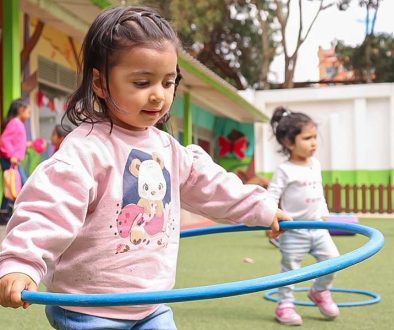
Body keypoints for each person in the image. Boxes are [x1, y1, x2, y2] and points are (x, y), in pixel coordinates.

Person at [0, 6, 290, 329]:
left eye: (168, 82)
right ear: (99, 82)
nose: (158, 96)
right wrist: (21, 262)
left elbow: (212, 185)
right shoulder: (87, 151)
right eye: (142, 82)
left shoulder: (168, 149)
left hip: (150, 306)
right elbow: (49, 206)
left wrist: (262, 207)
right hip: (89, 307)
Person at [267, 106, 340, 326]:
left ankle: (319, 291)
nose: (314, 143)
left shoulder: (315, 164)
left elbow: (318, 191)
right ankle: (285, 305)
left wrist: (324, 212)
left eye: (315, 137)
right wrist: (270, 220)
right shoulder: (284, 170)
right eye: (307, 138)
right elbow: (272, 196)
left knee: (333, 261)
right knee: (290, 270)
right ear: (289, 143)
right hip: (293, 230)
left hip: (318, 228)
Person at [0, 98, 31, 223]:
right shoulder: (16, 122)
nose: (29, 115)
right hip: (10, 159)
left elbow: (15, 141)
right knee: (20, 185)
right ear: (20, 110)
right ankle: (9, 214)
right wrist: (12, 154)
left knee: (12, 185)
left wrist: (27, 145)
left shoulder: (17, 123)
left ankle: (4, 214)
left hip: (11, 160)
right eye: (28, 112)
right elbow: (4, 141)